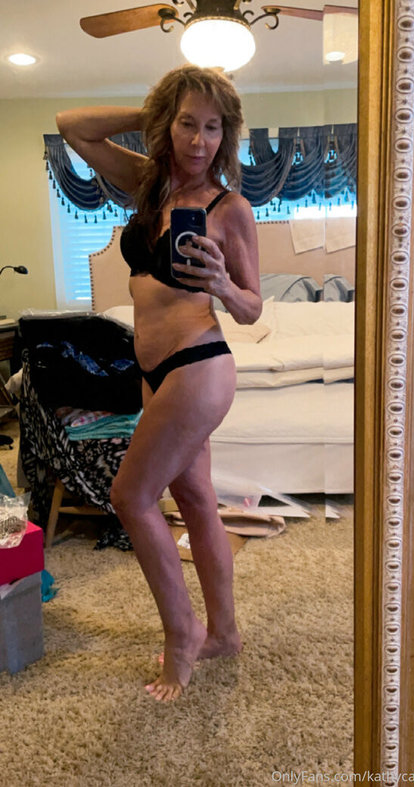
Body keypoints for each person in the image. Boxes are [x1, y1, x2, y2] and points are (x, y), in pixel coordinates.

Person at [56, 65, 261, 702]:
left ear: (225, 136)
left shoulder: (230, 208)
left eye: (212, 128)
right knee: (195, 499)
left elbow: (252, 308)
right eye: (186, 123)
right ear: (167, 126)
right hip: (155, 372)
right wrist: (152, 112)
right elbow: (72, 128)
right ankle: (223, 632)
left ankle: (182, 633)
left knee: (130, 496)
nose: (199, 140)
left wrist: (222, 283)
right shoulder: (148, 184)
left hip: (200, 363)